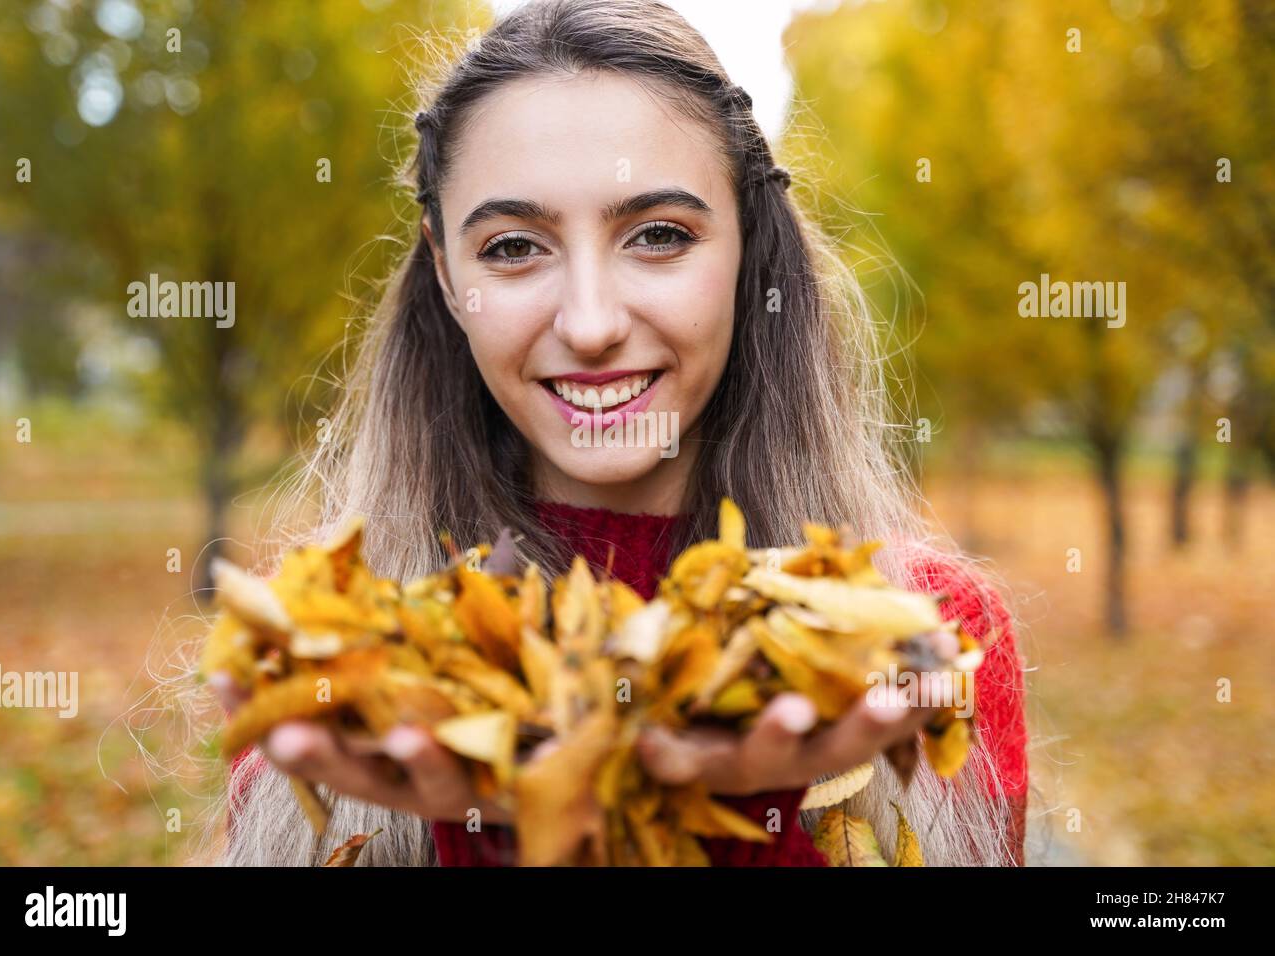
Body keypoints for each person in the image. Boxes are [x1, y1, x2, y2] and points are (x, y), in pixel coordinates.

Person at [208, 0, 1028, 867]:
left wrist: (744, 825)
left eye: (660, 236)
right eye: (514, 247)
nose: (592, 323)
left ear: (750, 250)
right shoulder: (329, 651)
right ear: (446, 273)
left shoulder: (934, 632)